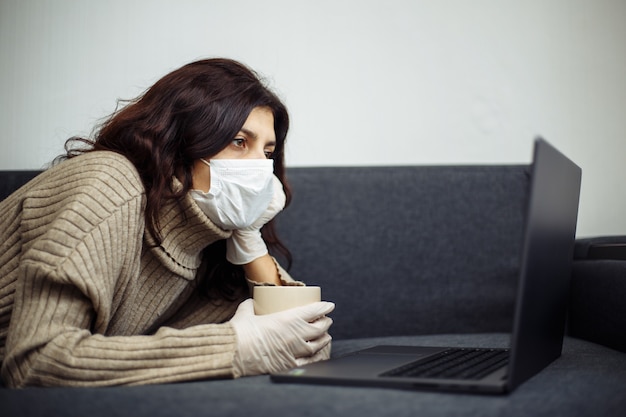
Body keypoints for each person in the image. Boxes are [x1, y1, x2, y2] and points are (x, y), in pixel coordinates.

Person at [0, 58, 334, 388]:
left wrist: (249, 238)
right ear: (183, 142)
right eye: (238, 142)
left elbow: (305, 342)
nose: (259, 170)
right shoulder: (109, 184)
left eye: (267, 153)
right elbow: (33, 363)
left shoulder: (211, 240)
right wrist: (235, 347)